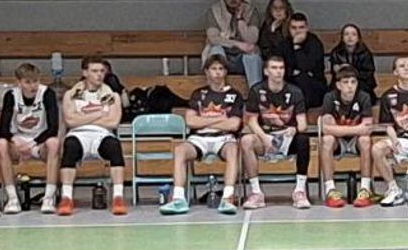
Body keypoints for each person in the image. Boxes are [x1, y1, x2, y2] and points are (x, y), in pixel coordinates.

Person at [161, 56, 244, 215]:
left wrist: (204, 121)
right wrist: (220, 119)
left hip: (224, 138)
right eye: (214, 69)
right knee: (180, 150)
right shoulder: (198, 94)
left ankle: (227, 198)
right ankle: (178, 199)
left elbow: (234, 124)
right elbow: (190, 121)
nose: (217, 72)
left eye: (221, 69)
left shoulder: (235, 95)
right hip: (199, 138)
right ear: (206, 72)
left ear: (225, 72)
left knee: (233, 150)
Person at [57, 55, 128, 216]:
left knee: (114, 146)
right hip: (78, 135)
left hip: (102, 135)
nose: (99, 75)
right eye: (95, 71)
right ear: (85, 72)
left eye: (102, 71)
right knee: (70, 146)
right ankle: (66, 198)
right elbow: (70, 121)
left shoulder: (112, 95)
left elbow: (113, 122)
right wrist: (100, 113)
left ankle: (118, 197)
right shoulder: (71, 95)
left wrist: (82, 117)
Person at [240, 54, 311, 210]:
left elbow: (303, 124)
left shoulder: (295, 92)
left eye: (281, 68)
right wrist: (264, 138)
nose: (278, 71)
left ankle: (299, 191)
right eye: (274, 68)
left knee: (303, 139)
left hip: (287, 137)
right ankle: (256, 193)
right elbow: (251, 121)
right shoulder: (256, 90)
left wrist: (294, 129)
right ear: (266, 71)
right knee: (246, 141)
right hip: (264, 136)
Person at [0, 63, 63, 215]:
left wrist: (33, 143)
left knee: (54, 143)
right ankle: (12, 198)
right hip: (17, 142)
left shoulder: (47, 93)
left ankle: (49, 197)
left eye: (35, 81)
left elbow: (53, 128)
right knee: (0, 144)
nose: (32, 86)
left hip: (40, 141)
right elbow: (2, 129)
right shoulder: (11, 95)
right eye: (27, 82)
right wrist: (15, 140)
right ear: (19, 82)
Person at [319, 65, 377, 209]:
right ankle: (330, 190)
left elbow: (367, 128)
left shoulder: (364, 97)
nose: (350, 86)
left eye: (353, 82)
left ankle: (365, 189)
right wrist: (356, 129)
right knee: (327, 140)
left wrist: (338, 129)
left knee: (365, 140)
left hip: (355, 140)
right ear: (338, 85)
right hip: (338, 141)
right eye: (345, 82)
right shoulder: (330, 97)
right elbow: (325, 128)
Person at [373, 55, 408, 207]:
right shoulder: (387, 96)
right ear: (395, 72)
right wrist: (394, 141)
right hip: (400, 139)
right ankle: (393, 189)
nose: (406, 68)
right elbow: (388, 125)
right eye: (402, 66)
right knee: (377, 149)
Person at [203, 0, 262, 86]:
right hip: (224, 57)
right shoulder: (214, 11)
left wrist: (240, 19)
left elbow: (252, 40)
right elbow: (213, 38)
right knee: (216, 49)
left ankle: (255, 92)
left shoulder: (251, 11)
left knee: (253, 55)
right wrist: (237, 44)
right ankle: (216, 89)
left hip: (242, 60)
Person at [284, 12, 328, 111]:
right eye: (294, 28)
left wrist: (297, 47)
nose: (297, 31)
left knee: (302, 78)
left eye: (301, 27)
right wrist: (293, 72)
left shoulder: (314, 43)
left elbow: (307, 66)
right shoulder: (284, 44)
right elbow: (282, 67)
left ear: (307, 28)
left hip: (314, 88)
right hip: (290, 85)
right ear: (289, 29)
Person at [328, 24, 378, 98]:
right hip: (342, 83)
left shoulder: (365, 53)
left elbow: (368, 74)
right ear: (342, 38)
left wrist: (350, 70)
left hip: (362, 83)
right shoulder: (336, 52)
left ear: (358, 38)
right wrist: (338, 70)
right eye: (346, 34)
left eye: (354, 34)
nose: (350, 37)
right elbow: (334, 74)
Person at [258, 0, 294, 67]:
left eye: (281, 8)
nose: (278, 11)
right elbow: (265, 52)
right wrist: (272, 30)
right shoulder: (266, 26)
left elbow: (287, 50)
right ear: (270, 10)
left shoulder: (293, 25)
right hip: (272, 64)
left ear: (286, 10)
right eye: (275, 8)